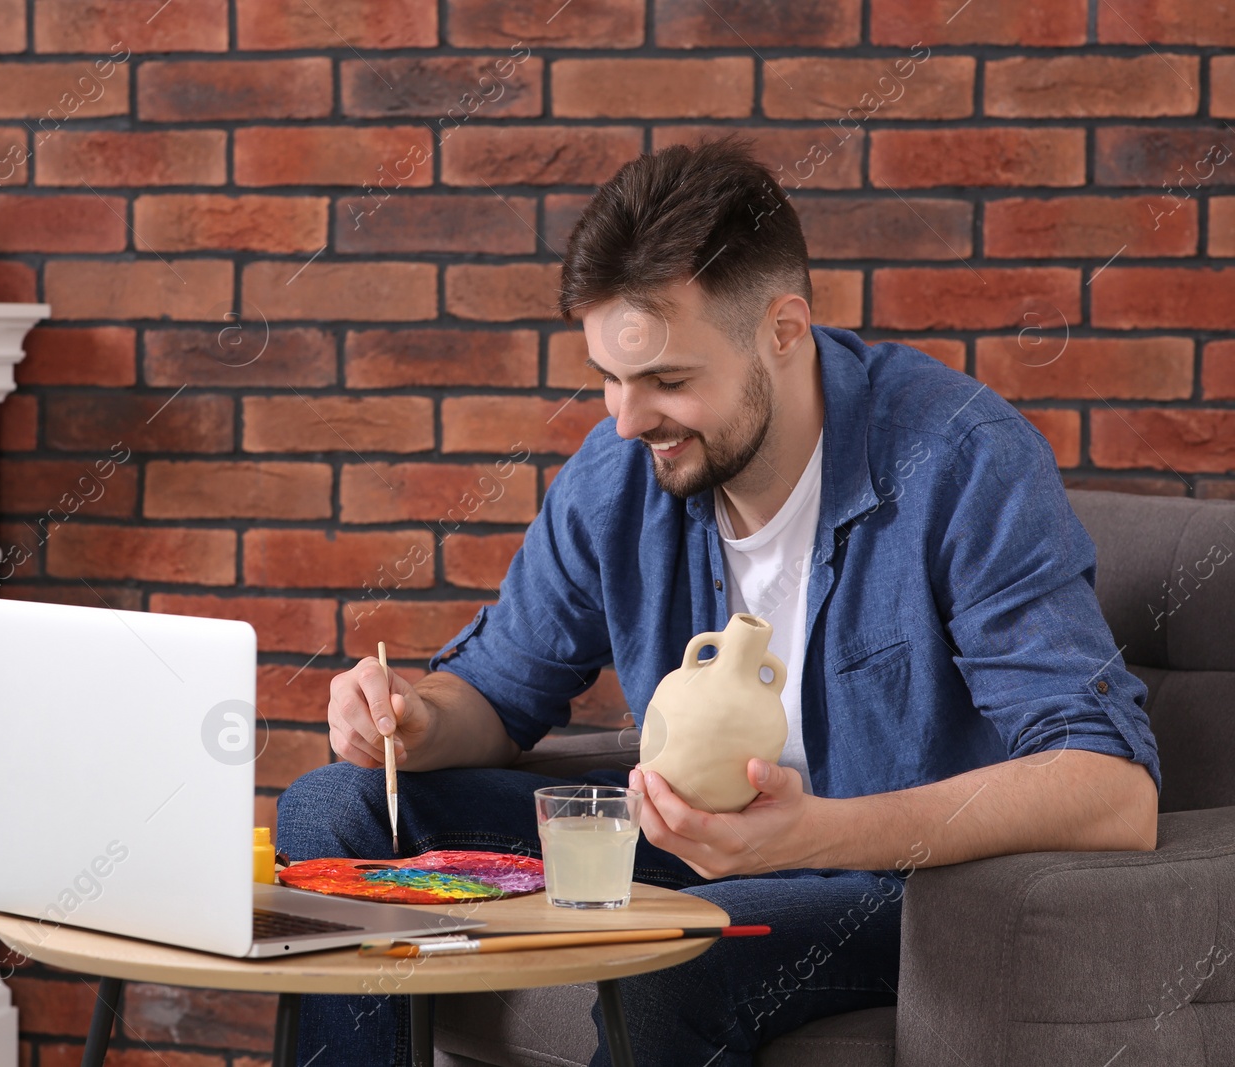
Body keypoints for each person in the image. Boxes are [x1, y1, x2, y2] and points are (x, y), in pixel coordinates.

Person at [276, 133, 1160, 1067]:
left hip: (895, 883)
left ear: (783, 330)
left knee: (672, 952)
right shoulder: (617, 474)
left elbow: (1112, 790)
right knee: (331, 813)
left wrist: (816, 834)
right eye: (611, 378)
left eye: (668, 380)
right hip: (679, 844)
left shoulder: (961, 458)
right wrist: (409, 719)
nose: (625, 419)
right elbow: (493, 697)